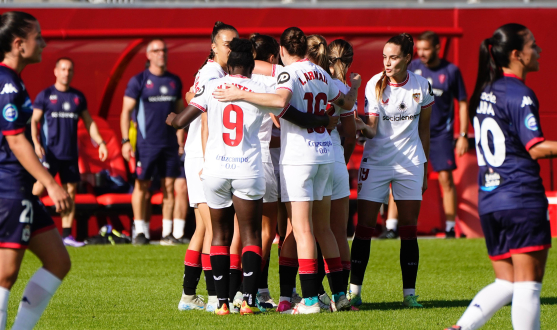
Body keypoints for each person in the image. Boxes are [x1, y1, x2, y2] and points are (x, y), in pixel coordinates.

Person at [213, 27, 360, 314]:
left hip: (298, 157)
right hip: (326, 155)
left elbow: (280, 102)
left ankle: (308, 301)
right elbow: (348, 103)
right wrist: (353, 85)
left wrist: (239, 95)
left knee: (301, 229)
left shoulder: (287, 74)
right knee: (324, 228)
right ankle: (340, 296)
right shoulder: (321, 73)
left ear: (282, 51)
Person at [446, 24, 551, 330]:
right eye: (533, 45)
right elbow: (536, 148)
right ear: (517, 54)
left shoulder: (487, 91)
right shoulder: (520, 93)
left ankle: (461, 328)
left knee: (506, 283)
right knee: (528, 286)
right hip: (521, 198)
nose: (539, 50)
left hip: (491, 201)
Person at [0, 11, 73, 330]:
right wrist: (51, 183)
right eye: (37, 37)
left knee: (58, 261)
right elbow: (15, 141)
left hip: (19, 188)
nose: (43, 42)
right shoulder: (6, 84)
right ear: (18, 44)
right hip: (9, 188)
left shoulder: (14, 80)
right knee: (6, 273)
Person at [349, 33, 433, 309]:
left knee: (409, 230)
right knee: (364, 228)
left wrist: (424, 165)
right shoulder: (374, 83)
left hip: (410, 163)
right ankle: (354, 292)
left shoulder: (422, 85)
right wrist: (361, 125)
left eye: (393, 57)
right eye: (384, 56)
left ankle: (410, 294)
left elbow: (424, 130)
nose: (387, 62)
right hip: (377, 163)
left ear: (408, 58)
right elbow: (372, 129)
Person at [382, 30, 468, 239]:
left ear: (437, 48)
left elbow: (463, 102)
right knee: (399, 174)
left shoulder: (451, 71)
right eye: (418, 49)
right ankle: (392, 226)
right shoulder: (412, 69)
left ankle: (449, 229)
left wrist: (463, 134)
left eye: (426, 49)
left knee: (446, 178)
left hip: (441, 135)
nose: (422, 53)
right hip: (412, 132)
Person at [178, 21, 239, 313]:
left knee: (204, 226)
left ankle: (189, 295)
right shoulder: (213, 72)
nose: (232, 48)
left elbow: (191, 97)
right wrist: (207, 159)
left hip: (203, 154)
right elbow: (202, 117)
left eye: (235, 43)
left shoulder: (214, 72)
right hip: (203, 155)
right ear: (214, 47)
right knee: (216, 227)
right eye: (228, 43)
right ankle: (215, 295)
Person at [30, 57, 108, 247]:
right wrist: (35, 142)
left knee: (70, 192)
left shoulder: (77, 97)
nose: (66, 73)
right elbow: (33, 121)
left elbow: (89, 123)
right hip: (50, 154)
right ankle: (26, 225)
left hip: (70, 154)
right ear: (56, 71)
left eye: (69, 70)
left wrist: (101, 142)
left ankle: (66, 235)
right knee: (39, 188)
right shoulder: (46, 95)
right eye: (63, 69)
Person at [120, 38, 184, 246]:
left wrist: (181, 139)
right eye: (156, 50)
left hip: (169, 144)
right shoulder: (139, 81)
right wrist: (125, 141)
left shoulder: (174, 81)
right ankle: (140, 232)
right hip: (146, 144)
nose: (161, 54)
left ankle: (167, 233)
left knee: (169, 187)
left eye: (163, 50)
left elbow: (179, 113)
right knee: (142, 187)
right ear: (148, 55)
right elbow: (125, 112)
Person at [249, 32, 280, 309]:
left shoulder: (234, 75)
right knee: (267, 232)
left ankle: (233, 292)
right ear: (272, 57)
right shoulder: (276, 77)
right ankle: (260, 290)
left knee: (238, 232)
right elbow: (280, 121)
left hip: (233, 160)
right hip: (263, 158)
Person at [327, 39, 357, 297]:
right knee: (338, 231)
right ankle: (340, 294)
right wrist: (344, 160)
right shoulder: (346, 89)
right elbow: (350, 133)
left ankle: (305, 294)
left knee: (305, 229)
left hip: (306, 155)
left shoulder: (319, 80)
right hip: (334, 156)